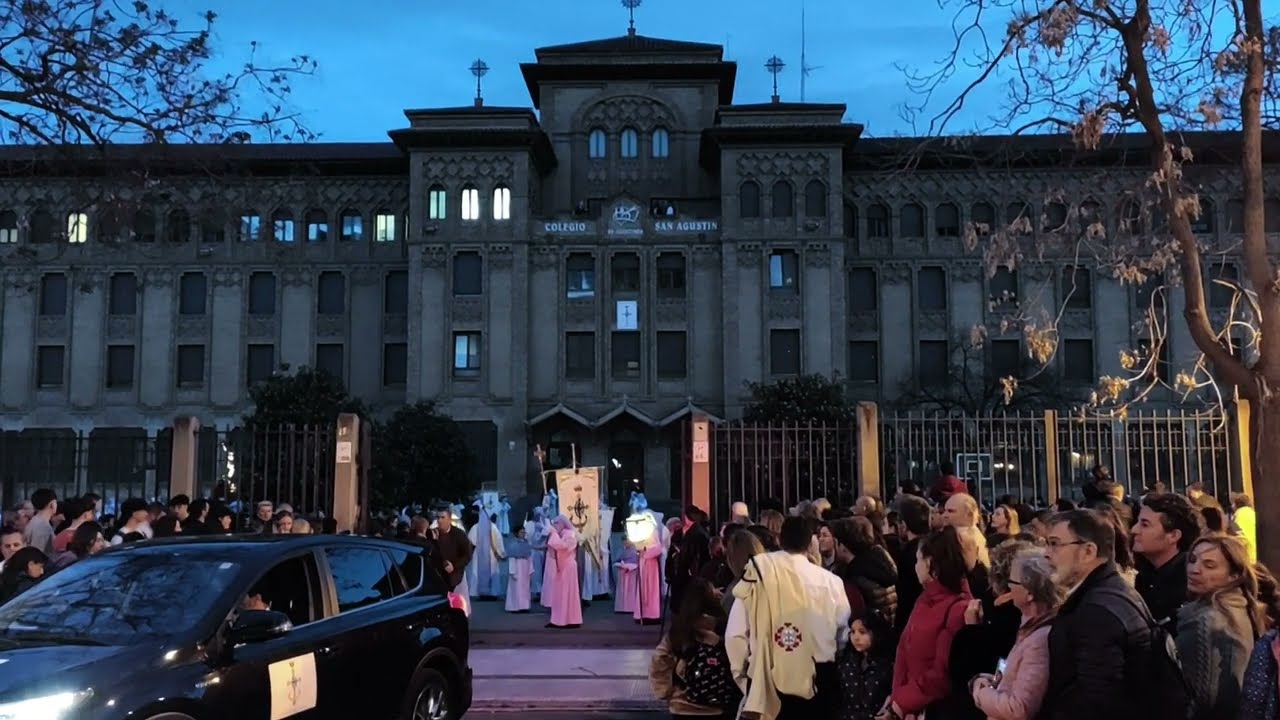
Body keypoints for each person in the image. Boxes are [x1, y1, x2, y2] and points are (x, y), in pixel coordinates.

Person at [1039, 509, 1166, 719]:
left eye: (1054, 544)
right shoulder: (1108, 593)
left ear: (1088, 551)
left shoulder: (1096, 611)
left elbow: (1096, 701)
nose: (1045, 553)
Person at [727, 516, 850, 720]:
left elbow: (737, 634)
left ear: (780, 539)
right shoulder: (831, 582)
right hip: (819, 676)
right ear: (811, 542)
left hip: (768, 675)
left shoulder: (759, 573)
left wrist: (745, 678)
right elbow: (842, 633)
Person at [887, 525, 972, 720]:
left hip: (933, 710)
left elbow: (941, 674)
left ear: (931, 564)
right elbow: (904, 649)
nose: (915, 566)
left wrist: (902, 702)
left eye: (918, 560)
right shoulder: (924, 598)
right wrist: (895, 699)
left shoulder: (958, 608)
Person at [1177, 534, 1266, 720]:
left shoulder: (1207, 621)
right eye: (1192, 560)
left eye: (1209, 565)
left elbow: (1206, 701)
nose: (1195, 569)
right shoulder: (1240, 607)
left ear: (1233, 575)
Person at [969, 548, 1063, 720]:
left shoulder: (1039, 641)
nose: (1009, 586)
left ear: (1029, 593)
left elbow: (1018, 708)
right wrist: (992, 681)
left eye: (1013, 581)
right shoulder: (1030, 628)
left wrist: (981, 693)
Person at [649, 578, 738, 718]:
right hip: (717, 706)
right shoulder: (724, 625)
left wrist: (666, 692)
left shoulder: (680, 629)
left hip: (682, 705)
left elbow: (659, 660)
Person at [1132, 492, 1203, 634]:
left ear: (1173, 536)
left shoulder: (1190, 580)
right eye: (1137, 522)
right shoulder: (1146, 574)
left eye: (1145, 525)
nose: (1134, 530)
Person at [837, 611, 895, 720]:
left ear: (876, 633)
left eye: (862, 632)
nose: (856, 637)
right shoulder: (845, 663)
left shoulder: (888, 665)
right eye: (852, 632)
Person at [432, 505, 474, 613]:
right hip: (439, 577)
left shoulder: (459, 534)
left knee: (459, 608)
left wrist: (454, 566)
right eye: (438, 518)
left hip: (457, 575)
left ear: (449, 518)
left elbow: (468, 554)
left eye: (442, 517)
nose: (439, 520)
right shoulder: (433, 534)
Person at [545, 514, 582, 629]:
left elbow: (562, 547)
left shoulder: (570, 535)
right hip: (560, 567)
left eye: (557, 523)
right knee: (559, 595)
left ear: (562, 524)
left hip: (568, 567)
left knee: (567, 594)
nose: (555, 526)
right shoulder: (561, 534)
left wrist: (554, 534)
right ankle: (557, 619)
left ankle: (570, 620)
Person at [635, 524, 665, 625]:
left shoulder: (654, 532)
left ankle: (652, 615)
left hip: (651, 566)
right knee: (643, 589)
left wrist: (646, 549)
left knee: (651, 590)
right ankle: (641, 614)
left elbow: (658, 548)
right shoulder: (640, 532)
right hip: (643, 563)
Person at [504, 525, 533, 613]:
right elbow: (512, 558)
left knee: (525, 588)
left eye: (524, 532)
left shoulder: (526, 543)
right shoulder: (513, 544)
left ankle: (525, 606)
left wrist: (531, 569)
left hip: (525, 567)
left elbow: (529, 557)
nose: (523, 534)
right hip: (517, 567)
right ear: (517, 533)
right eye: (521, 532)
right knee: (516, 588)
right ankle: (515, 607)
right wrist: (512, 571)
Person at [22, 489, 57, 556]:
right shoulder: (43, 526)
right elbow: (37, 553)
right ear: (52, 504)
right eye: (56, 502)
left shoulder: (34, 521)